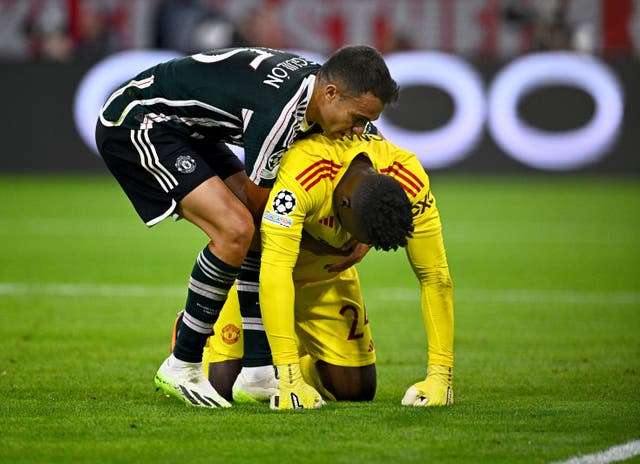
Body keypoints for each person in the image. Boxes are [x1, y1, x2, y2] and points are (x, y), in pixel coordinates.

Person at [95, 45, 399, 408]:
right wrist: (325, 246)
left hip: (192, 131)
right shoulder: (281, 113)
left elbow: (372, 152)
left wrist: (365, 226)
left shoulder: (330, 92)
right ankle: (182, 363)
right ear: (330, 93)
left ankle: (257, 372)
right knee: (238, 229)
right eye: (357, 118)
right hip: (138, 122)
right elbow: (264, 212)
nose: (359, 128)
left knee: (252, 231)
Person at [201, 132, 455, 409]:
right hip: (268, 270)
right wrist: (289, 379)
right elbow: (275, 271)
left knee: (355, 389)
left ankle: (297, 351)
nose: (348, 237)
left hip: (328, 274)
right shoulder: (306, 170)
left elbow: (435, 276)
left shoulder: (408, 177)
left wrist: (441, 377)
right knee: (221, 385)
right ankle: (193, 336)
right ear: (343, 204)